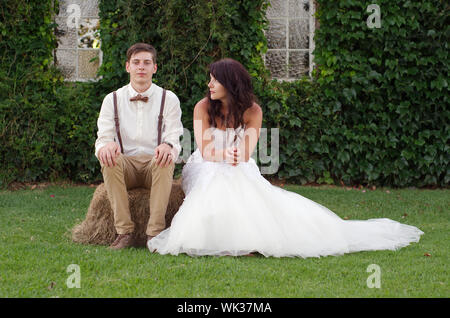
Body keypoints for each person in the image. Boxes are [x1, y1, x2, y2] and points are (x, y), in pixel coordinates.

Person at [147, 58, 423, 258]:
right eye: (209, 78)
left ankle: (249, 238)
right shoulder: (203, 107)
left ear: (231, 83)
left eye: (214, 79)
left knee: (238, 179)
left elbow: (246, 151)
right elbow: (205, 150)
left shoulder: (252, 110)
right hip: (205, 162)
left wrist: (235, 155)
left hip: (238, 162)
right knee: (217, 178)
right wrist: (222, 154)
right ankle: (225, 239)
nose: (209, 84)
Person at [95, 43, 183, 250]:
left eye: (146, 63)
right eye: (136, 63)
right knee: (110, 159)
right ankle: (124, 233)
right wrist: (106, 146)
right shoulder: (112, 99)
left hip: (154, 164)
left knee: (165, 158)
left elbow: (174, 136)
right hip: (127, 166)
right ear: (128, 67)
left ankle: (154, 234)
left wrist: (168, 146)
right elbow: (103, 137)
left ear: (155, 68)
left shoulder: (169, 99)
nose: (141, 67)